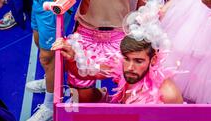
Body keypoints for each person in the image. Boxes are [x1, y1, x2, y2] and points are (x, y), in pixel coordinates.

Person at [51, 35, 184, 104]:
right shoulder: (120, 66)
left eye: (139, 61)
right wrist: (73, 57)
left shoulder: (169, 95)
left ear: (153, 60)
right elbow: (84, 72)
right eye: (126, 59)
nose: (130, 67)